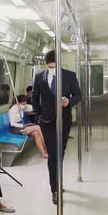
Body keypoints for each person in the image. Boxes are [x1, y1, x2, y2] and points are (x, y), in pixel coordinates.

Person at [32, 50, 82, 205]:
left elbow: (78, 95)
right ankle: (54, 188)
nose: (52, 68)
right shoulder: (39, 76)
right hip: (46, 121)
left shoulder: (70, 75)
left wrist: (69, 102)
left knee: (60, 152)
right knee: (53, 154)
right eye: (50, 66)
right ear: (46, 64)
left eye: (54, 66)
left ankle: (57, 181)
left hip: (64, 120)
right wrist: (37, 116)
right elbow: (35, 96)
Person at [8, 94, 48, 158]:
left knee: (36, 133)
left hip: (22, 125)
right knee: (38, 127)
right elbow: (12, 123)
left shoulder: (23, 107)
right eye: (23, 104)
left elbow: (32, 107)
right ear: (18, 103)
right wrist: (23, 126)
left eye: (25, 104)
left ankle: (43, 153)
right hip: (15, 128)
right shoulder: (13, 110)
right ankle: (47, 148)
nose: (24, 106)